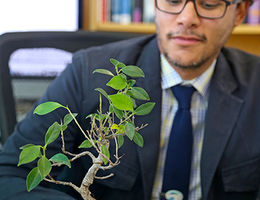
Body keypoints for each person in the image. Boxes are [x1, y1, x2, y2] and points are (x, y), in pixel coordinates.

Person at [0, 0, 259, 199]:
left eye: (209, 4)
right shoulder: (88, 72)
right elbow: (12, 174)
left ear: (239, 12)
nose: (187, 18)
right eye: (171, 1)